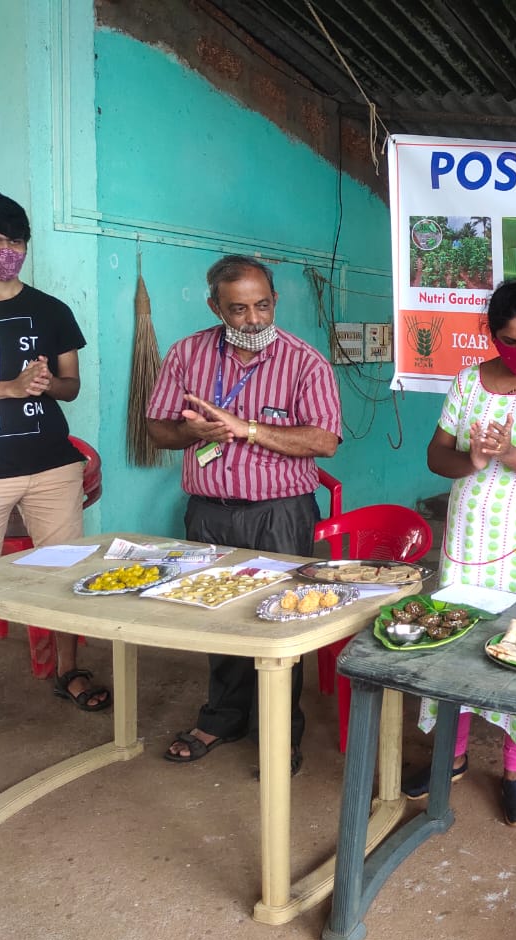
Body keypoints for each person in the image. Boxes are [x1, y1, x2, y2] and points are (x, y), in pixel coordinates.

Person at [146, 254, 342, 775]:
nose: (253, 319)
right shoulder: (186, 354)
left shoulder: (305, 362)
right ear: (216, 307)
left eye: (262, 306)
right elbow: (158, 430)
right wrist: (191, 432)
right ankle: (223, 717)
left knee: (280, 622)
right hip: (209, 514)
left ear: (275, 301)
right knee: (216, 616)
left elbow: (324, 441)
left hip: (279, 514)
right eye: (238, 309)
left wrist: (246, 428)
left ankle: (280, 732)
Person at [409, 280, 516, 826]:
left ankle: (514, 771)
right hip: (469, 538)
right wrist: (474, 461)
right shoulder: (468, 382)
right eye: (509, 341)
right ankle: (452, 755)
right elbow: (437, 457)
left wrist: (508, 452)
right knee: (456, 639)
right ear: (491, 333)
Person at [0, 193, 109, 711]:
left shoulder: (51, 310)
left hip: (51, 467)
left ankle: (70, 671)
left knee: (66, 575)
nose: (8, 250)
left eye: (17, 241)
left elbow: (72, 386)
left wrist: (46, 385)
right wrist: (10, 388)